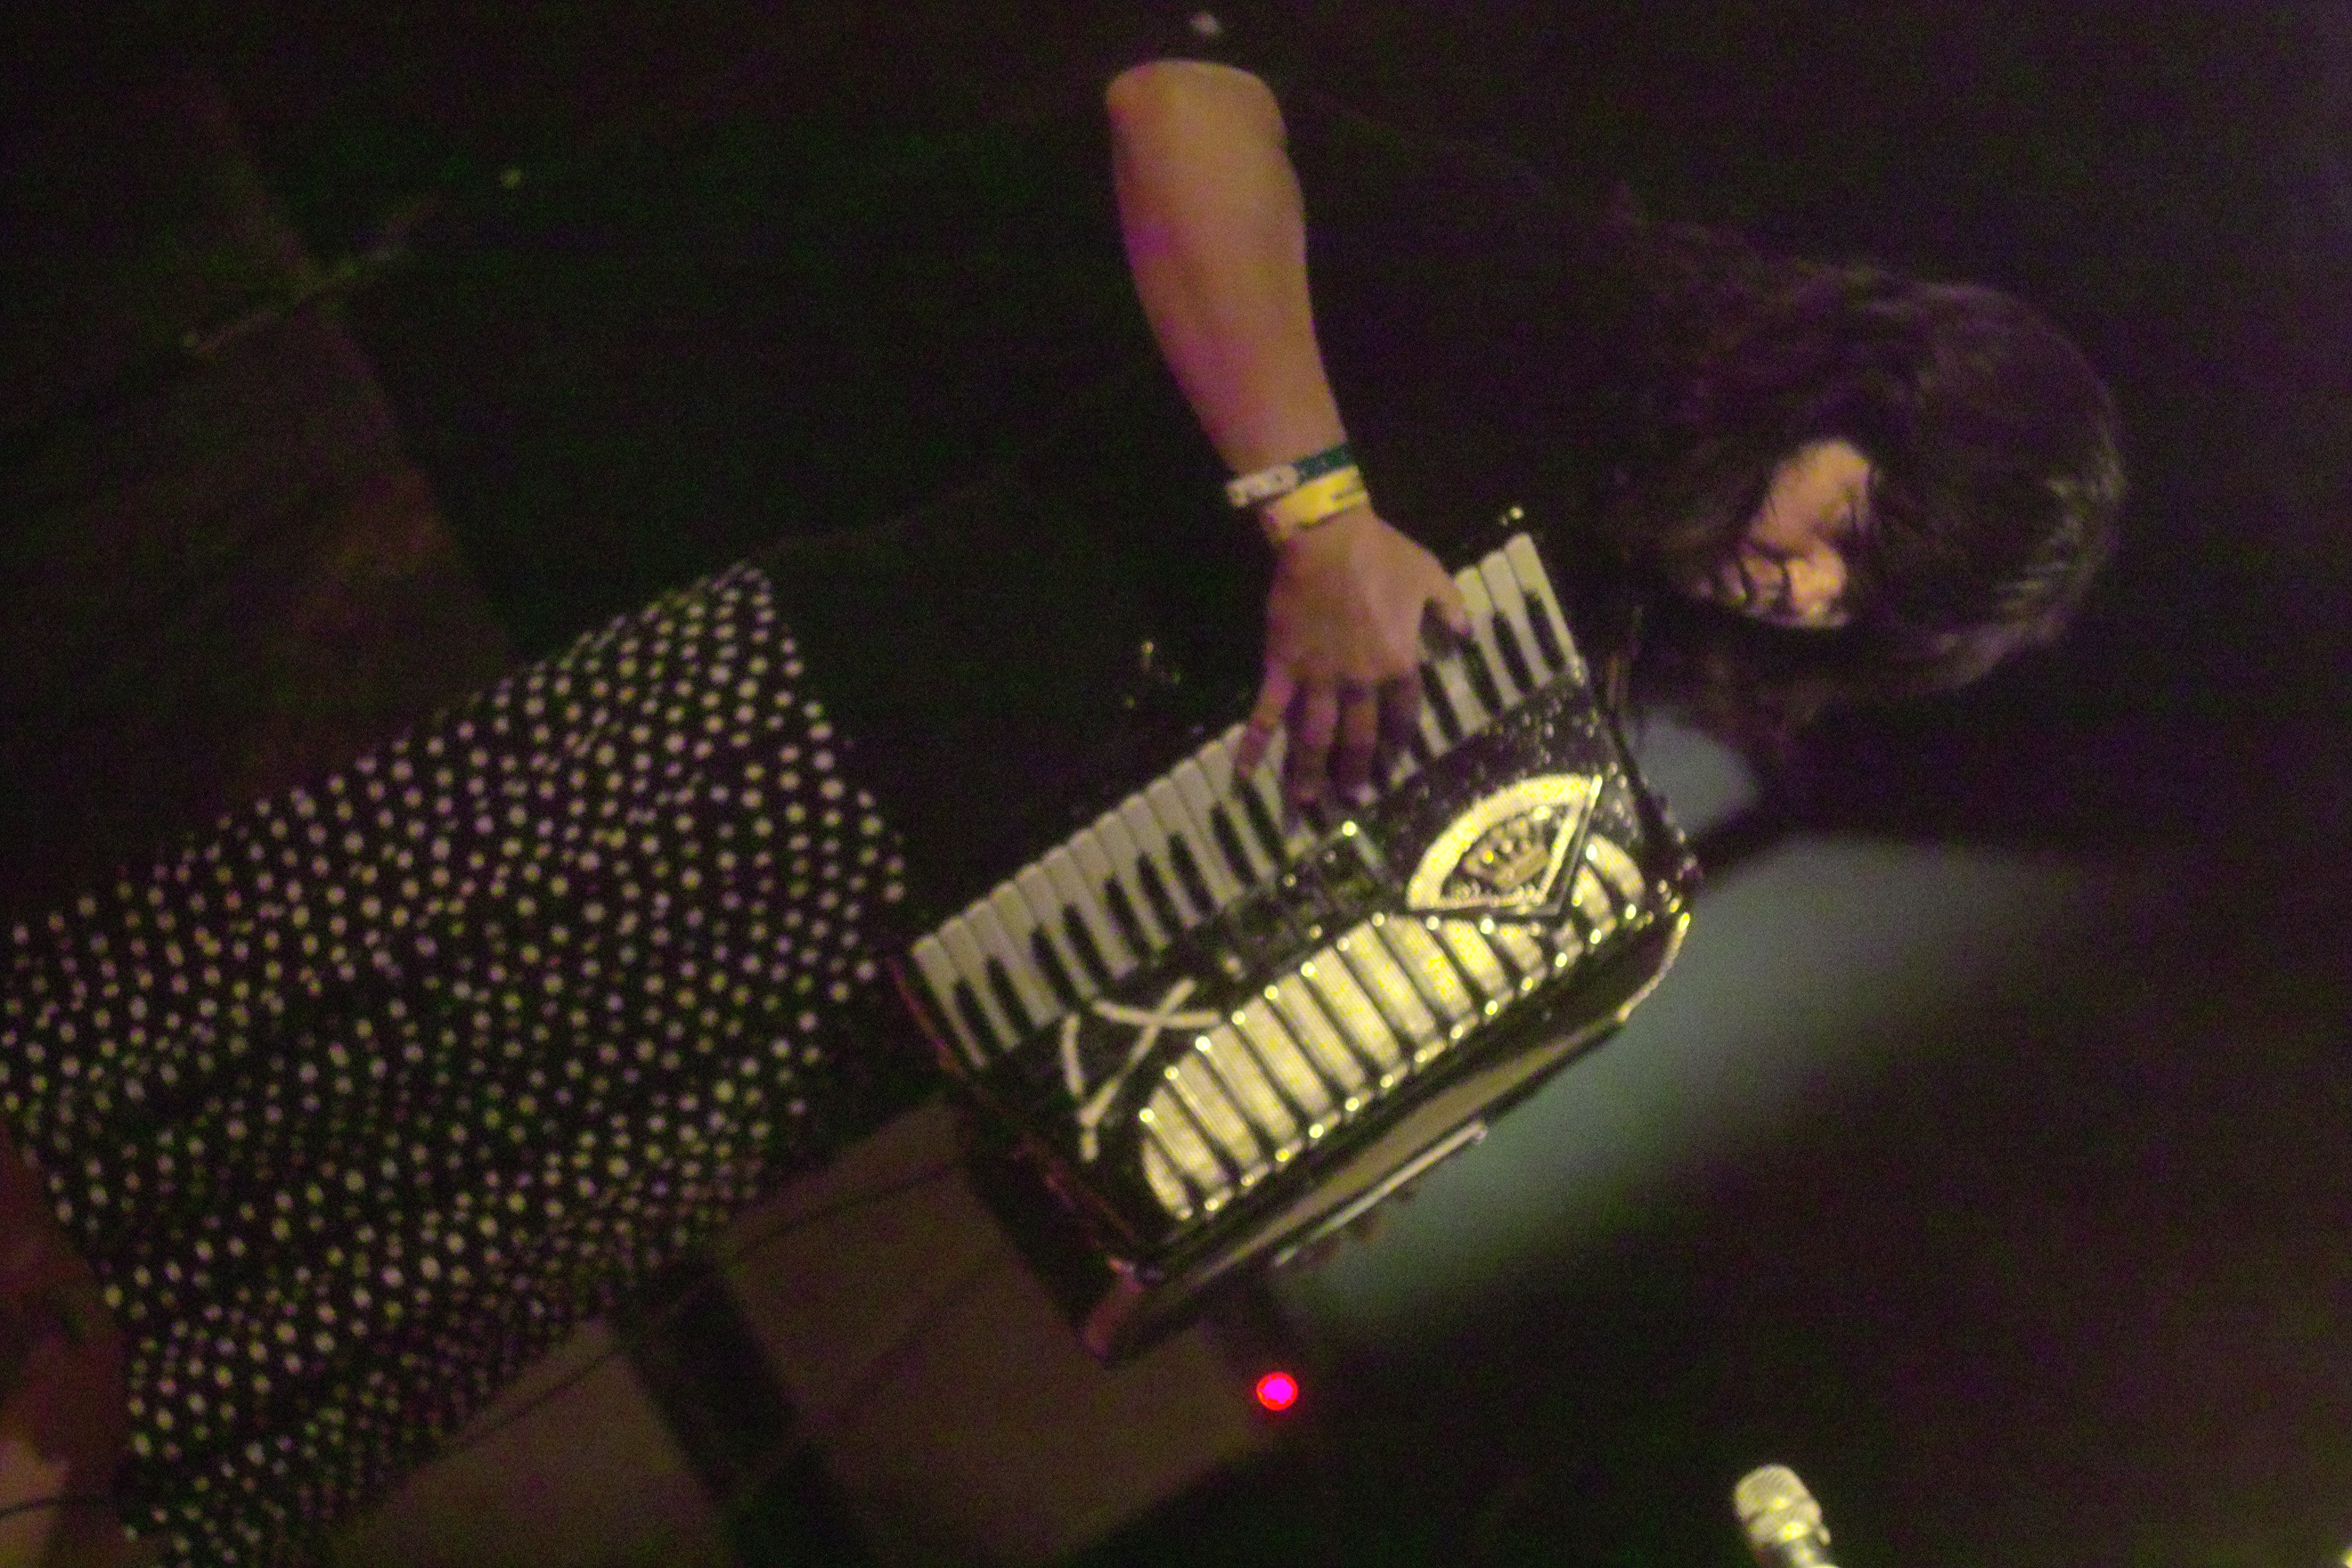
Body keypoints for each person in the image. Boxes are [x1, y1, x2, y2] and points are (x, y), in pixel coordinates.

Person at [0, 35, 2123, 1568]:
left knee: (400, 1282)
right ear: (1857, 385)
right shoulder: (1583, 318)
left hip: (911, 985)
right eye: (1862, 521)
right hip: (812, 730)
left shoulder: (1609, 655)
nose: (1812, 584)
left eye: (1868, 604)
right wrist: (1317, 509)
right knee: (243, 1022)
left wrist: (1346, 1094)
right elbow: (1183, 101)